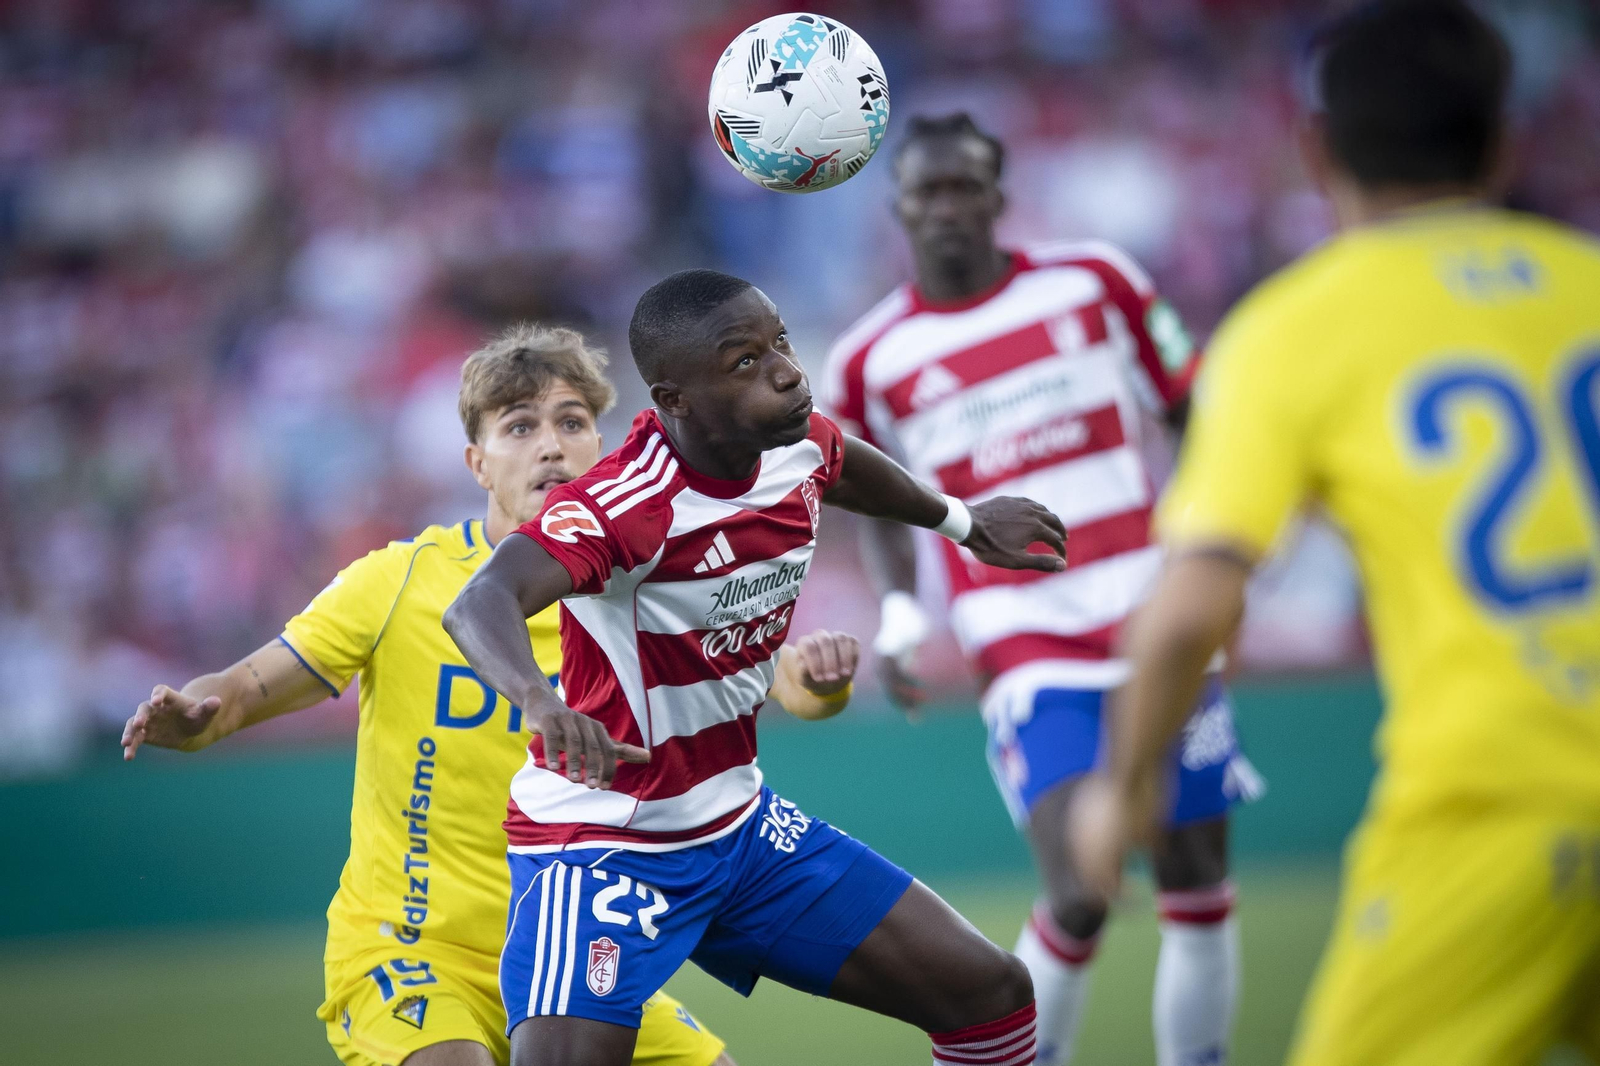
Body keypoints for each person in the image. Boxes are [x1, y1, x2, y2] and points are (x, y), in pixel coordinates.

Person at [1069, 3, 1600, 1064]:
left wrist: (1118, 792)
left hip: (1503, 797)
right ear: (1505, 140)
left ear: (1314, 151)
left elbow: (1190, 612)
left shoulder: (1292, 329)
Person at [120, 323, 866, 1066]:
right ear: (478, 462)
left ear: (602, 450)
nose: (551, 444)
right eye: (520, 426)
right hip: (415, 954)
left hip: (574, 943)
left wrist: (825, 687)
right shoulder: (400, 581)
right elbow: (243, 691)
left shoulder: (651, 579)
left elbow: (784, 683)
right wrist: (193, 716)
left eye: (572, 422)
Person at [442, 269, 1069, 1066]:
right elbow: (480, 601)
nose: (786, 372)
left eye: (778, 343)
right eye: (744, 363)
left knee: (993, 997)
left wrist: (965, 522)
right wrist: (538, 701)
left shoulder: (791, 444)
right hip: (605, 844)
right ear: (675, 400)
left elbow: (845, 467)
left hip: (739, 831)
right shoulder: (621, 507)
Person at [824, 112, 1259, 1066]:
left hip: (1156, 611)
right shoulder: (867, 360)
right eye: (925, 192)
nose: (944, 207)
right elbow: (870, 500)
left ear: (997, 195)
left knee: (1196, 874)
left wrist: (1209, 547)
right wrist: (901, 612)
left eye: (963, 187)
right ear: (898, 207)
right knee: (1079, 890)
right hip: (1023, 634)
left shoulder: (1095, 280)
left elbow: (1193, 410)